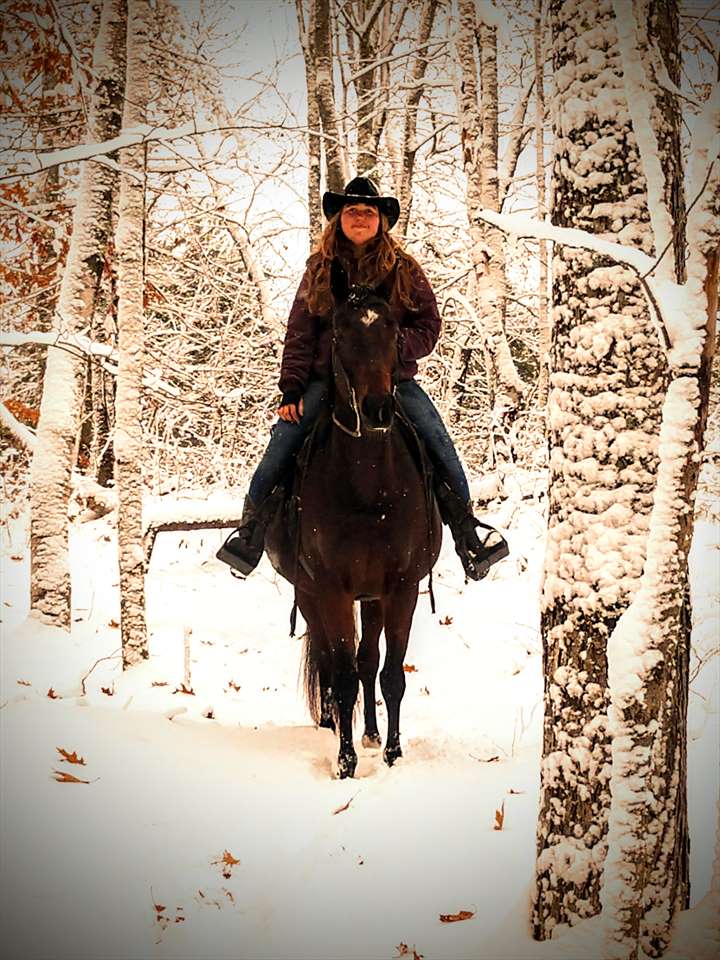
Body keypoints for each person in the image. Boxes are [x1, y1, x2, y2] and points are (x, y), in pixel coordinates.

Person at [219, 176, 508, 580]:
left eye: (368, 212)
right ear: (338, 219)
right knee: (283, 439)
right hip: (327, 382)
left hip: (392, 382)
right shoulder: (319, 270)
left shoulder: (405, 270)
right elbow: (300, 332)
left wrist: (392, 346)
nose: (360, 218)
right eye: (352, 211)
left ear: (380, 221)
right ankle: (250, 533)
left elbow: (429, 326)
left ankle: (468, 533)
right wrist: (292, 388)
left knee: (437, 438)